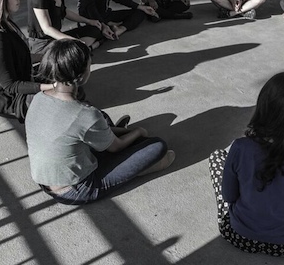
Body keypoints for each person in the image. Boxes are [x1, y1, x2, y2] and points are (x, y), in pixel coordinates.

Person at [25, 39, 175, 205]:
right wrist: (139, 131)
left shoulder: (39, 98)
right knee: (157, 146)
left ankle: (112, 137)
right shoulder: (84, 114)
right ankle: (134, 163)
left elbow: (75, 127)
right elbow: (115, 146)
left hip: (46, 178)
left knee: (100, 117)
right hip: (76, 189)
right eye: (90, 65)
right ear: (81, 76)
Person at [208, 72, 284, 256]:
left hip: (237, 234)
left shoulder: (240, 147)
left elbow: (229, 196)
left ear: (261, 108)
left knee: (217, 156)